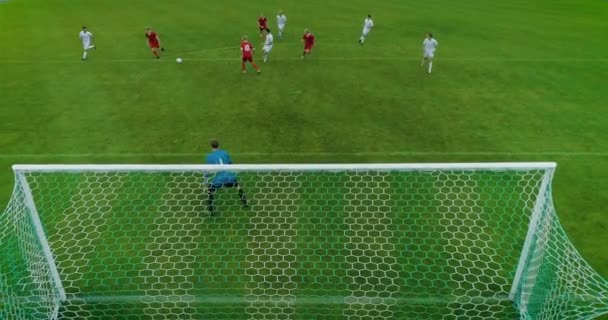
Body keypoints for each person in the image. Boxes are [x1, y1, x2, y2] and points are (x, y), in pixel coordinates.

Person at [205, 139, 248, 216]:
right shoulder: (225, 152)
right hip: (229, 177)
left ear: (211, 146)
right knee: (238, 186)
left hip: (219, 180)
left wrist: (206, 179)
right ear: (219, 146)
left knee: (210, 190)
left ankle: (210, 211)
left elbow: (208, 170)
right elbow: (230, 164)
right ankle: (245, 202)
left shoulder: (209, 156)